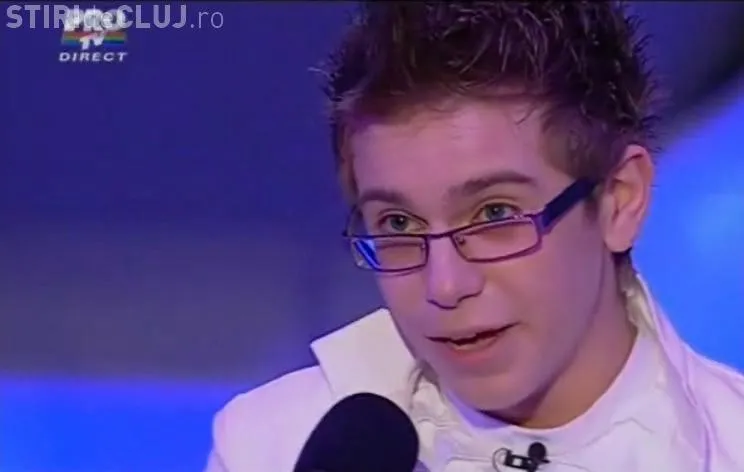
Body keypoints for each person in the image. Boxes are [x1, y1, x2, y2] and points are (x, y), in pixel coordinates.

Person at [205, 3, 744, 471]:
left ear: (618, 200)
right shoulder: (272, 446)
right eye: (398, 224)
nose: (444, 285)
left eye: (494, 214)